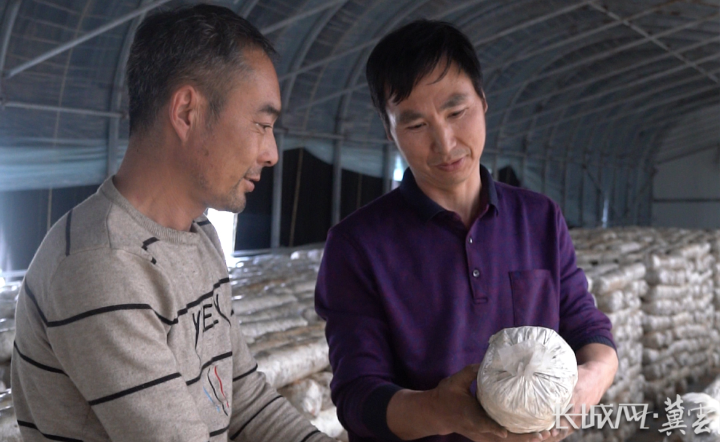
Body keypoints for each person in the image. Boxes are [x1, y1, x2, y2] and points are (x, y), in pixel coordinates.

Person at [11, 5, 332, 442]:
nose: (272, 153)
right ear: (186, 112)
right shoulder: (103, 263)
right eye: (261, 125)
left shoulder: (199, 237)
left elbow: (244, 399)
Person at [315, 20, 618, 442]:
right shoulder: (357, 245)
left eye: (457, 112)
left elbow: (586, 326)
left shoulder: (539, 218)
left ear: (483, 101)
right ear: (389, 131)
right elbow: (357, 397)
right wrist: (442, 412)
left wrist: (595, 376)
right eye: (416, 125)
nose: (445, 142)